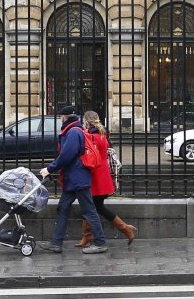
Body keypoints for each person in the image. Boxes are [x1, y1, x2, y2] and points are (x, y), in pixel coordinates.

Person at [38, 106, 108, 254]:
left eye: (60, 117)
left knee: (89, 211)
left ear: (64, 117)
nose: (59, 119)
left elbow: (67, 155)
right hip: (73, 179)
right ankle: (56, 243)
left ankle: (100, 242)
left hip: (78, 178)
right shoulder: (73, 130)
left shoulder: (74, 132)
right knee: (63, 208)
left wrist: (50, 169)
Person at [76, 110, 137, 247]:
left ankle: (125, 229)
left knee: (93, 207)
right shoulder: (103, 134)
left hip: (95, 174)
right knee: (92, 206)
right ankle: (88, 236)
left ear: (86, 121)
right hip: (102, 174)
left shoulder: (91, 136)